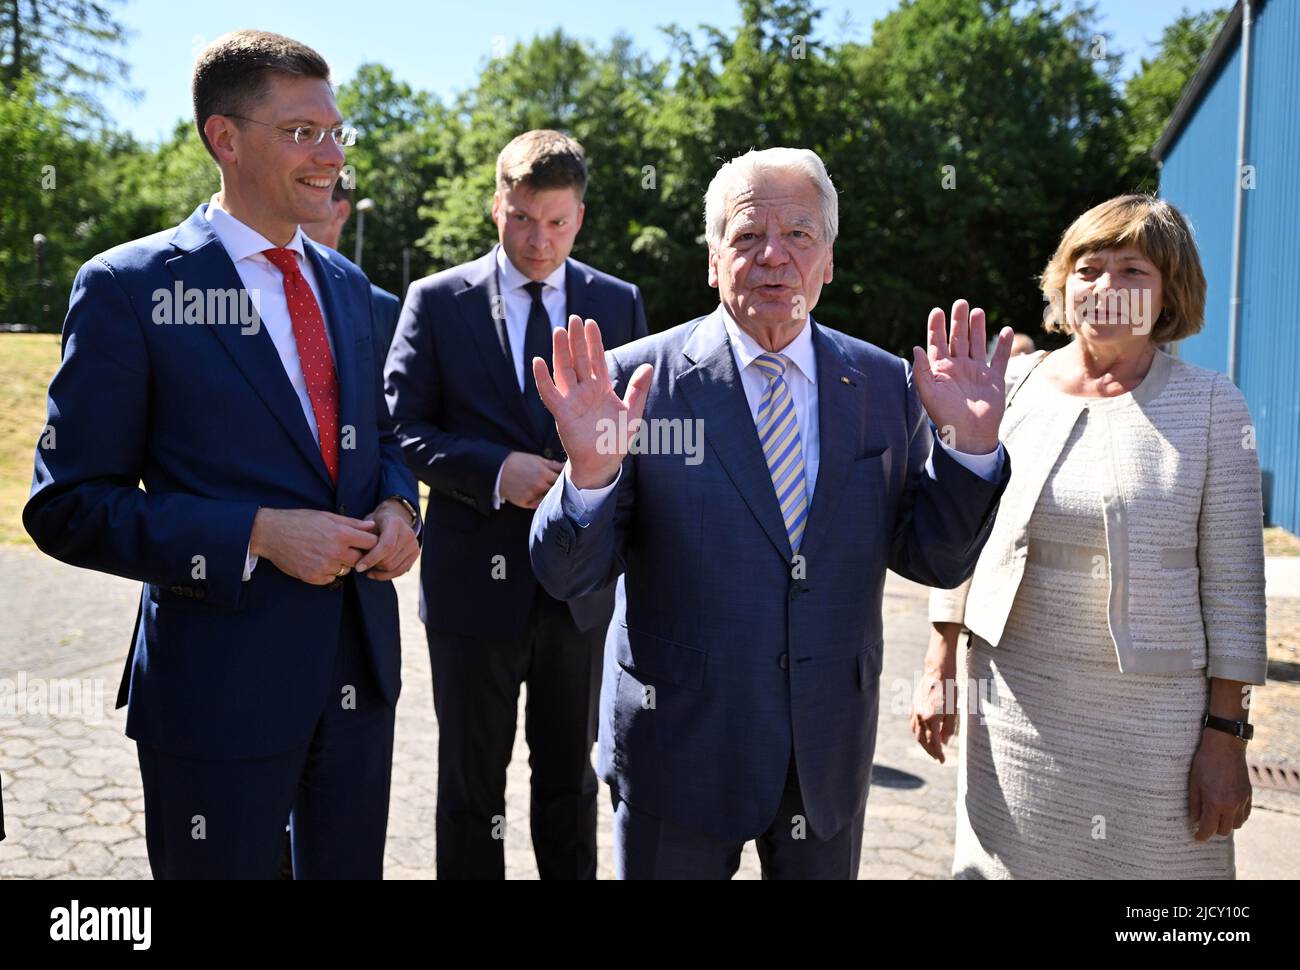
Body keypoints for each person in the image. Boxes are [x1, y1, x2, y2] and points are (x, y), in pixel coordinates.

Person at [528, 147, 1014, 879]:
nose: (773, 258)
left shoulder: (885, 384)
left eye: (799, 236)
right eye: (748, 236)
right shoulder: (634, 385)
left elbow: (935, 557)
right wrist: (589, 476)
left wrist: (971, 452)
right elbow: (569, 576)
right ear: (713, 260)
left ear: (827, 261)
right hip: (678, 755)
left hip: (825, 755)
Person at [23, 29, 421, 879]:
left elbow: (381, 441)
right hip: (217, 694)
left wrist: (397, 505)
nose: (333, 155)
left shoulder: (351, 290)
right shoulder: (130, 288)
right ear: (225, 139)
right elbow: (65, 506)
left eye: (335, 130)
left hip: (357, 680)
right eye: (302, 133)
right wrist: (257, 533)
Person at [913, 194, 1266, 879]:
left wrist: (1226, 737)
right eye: (1088, 267)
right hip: (1015, 708)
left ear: (1170, 291)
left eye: (1132, 270)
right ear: (1062, 284)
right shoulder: (1009, 385)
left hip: (1157, 730)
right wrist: (937, 664)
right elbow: (962, 529)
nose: (1104, 287)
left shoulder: (1213, 405)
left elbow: (1235, 588)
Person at [386, 129, 647, 879]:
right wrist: (499, 469)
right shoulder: (434, 302)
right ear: (495, 206)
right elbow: (401, 428)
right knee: (471, 788)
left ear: (581, 218)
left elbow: (640, 435)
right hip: (471, 589)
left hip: (580, 595)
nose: (540, 240)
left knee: (570, 780)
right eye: (523, 219)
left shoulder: (618, 303)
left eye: (558, 223)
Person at [301, 179, 403, 370]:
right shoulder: (259, 289)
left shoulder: (382, 307)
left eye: (310, 194)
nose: (295, 205)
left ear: (341, 211)